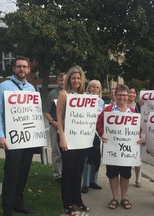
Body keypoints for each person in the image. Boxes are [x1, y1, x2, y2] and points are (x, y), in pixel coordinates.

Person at [0, 56, 37, 216]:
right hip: (11, 140)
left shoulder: (31, 89)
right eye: (19, 66)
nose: (22, 69)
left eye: (25, 66)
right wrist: (0, 135)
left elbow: (34, 114)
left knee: (23, 173)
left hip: (27, 139)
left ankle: (19, 204)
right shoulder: (4, 86)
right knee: (11, 174)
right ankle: (8, 208)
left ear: (29, 69)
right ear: (13, 68)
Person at [96, 84, 139, 210]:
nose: (122, 97)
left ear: (128, 96)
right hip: (112, 149)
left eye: (125, 95)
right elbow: (98, 124)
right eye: (120, 95)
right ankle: (114, 197)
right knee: (112, 174)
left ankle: (124, 198)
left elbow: (138, 129)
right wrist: (101, 132)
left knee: (126, 174)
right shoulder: (108, 110)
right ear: (115, 95)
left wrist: (138, 138)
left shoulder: (132, 112)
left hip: (127, 150)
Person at [56, 66, 89, 215]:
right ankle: (67, 203)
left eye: (78, 78)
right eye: (73, 77)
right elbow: (59, 118)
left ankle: (77, 200)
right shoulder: (64, 94)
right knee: (68, 172)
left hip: (81, 138)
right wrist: (62, 138)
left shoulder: (84, 95)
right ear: (69, 79)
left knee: (78, 171)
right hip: (67, 138)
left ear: (82, 80)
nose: (76, 80)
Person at [81, 80, 105, 193]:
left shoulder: (101, 102)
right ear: (88, 88)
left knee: (96, 157)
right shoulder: (83, 99)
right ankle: (85, 183)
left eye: (97, 87)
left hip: (97, 133)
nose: (95, 89)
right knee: (86, 157)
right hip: (86, 132)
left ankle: (93, 180)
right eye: (93, 87)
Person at [43, 72, 66, 183]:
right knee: (56, 150)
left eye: (64, 80)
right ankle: (58, 175)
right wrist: (53, 122)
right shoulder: (52, 94)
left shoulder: (71, 93)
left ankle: (66, 172)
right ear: (58, 81)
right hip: (55, 126)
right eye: (60, 80)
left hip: (69, 127)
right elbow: (46, 111)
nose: (62, 82)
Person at [127, 86, 142, 188]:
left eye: (134, 93)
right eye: (130, 92)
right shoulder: (122, 105)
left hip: (136, 134)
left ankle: (138, 178)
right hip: (125, 134)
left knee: (138, 158)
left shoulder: (139, 106)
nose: (132, 94)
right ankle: (126, 177)